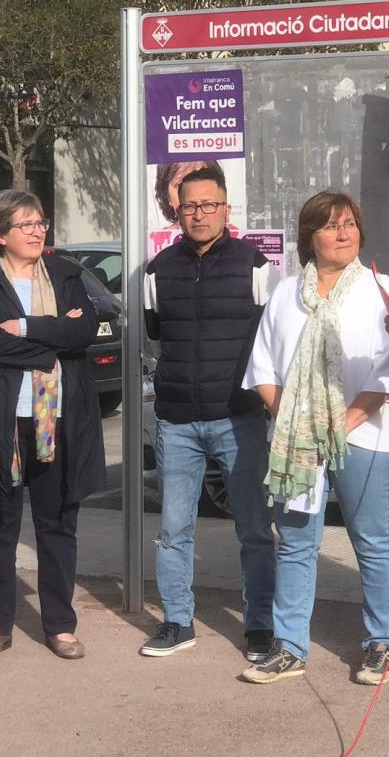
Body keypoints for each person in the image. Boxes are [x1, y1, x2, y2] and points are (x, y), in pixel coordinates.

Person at [241, 191, 389, 685]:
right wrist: (296, 421)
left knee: (373, 541)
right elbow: (263, 368)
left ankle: (382, 645)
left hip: (365, 436)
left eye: (349, 224)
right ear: (310, 237)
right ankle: (290, 646)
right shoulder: (284, 292)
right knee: (296, 544)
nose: (342, 233)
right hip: (298, 443)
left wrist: (340, 424)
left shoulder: (380, 289)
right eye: (330, 225)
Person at [0, 190, 105, 662]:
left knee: (57, 524)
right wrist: (52, 339)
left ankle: (60, 625)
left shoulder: (65, 274)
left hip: (54, 420)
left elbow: (84, 331)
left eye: (41, 222)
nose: (39, 231)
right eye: (27, 225)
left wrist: (26, 328)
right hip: (0, 422)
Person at [140, 165, 278, 660]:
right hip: (176, 420)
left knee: (255, 530)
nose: (199, 214)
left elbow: (270, 342)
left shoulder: (256, 267)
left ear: (225, 209)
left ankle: (259, 626)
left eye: (209, 205)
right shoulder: (157, 271)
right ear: (178, 211)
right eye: (190, 206)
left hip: (237, 418)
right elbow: (157, 335)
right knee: (174, 531)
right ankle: (177, 622)